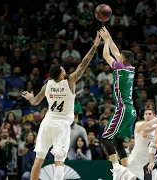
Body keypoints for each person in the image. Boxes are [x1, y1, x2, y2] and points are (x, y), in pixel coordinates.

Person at [21, 33, 101, 180]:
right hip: (61, 124)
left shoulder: (48, 85)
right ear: (61, 75)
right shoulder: (70, 82)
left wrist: (30, 97)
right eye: (63, 69)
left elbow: (35, 102)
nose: (65, 69)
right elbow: (84, 63)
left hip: (47, 122)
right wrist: (95, 46)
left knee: (39, 159)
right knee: (59, 161)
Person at [99, 27, 137, 180]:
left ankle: (117, 168)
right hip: (132, 111)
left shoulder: (120, 69)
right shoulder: (130, 68)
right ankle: (125, 172)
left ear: (122, 60)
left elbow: (106, 54)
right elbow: (116, 52)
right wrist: (109, 37)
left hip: (123, 109)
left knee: (105, 138)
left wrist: (105, 42)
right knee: (118, 141)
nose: (118, 56)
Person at [128, 109, 157, 180]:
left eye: (150, 114)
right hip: (136, 156)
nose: (147, 116)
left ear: (154, 116)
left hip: (148, 159)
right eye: (146, 114)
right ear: (144, 116)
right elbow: (144, 132)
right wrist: (156, 127)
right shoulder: (139, 124)